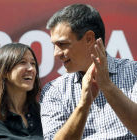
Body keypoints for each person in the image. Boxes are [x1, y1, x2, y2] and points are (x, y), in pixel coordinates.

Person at [39, 4, 137, 140]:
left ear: (89, 39)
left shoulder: (134, 73)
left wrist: (107, 86)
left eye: (63, 44)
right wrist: (84, 104)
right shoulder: (54, 90)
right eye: (54, 45)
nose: (56, 53)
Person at [0, 43, 43, 140]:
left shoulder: (45, 113)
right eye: (22, 62)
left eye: (33, 63)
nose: (31, 69)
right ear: (4, 71)